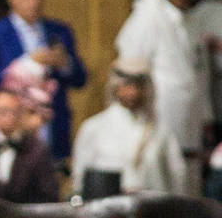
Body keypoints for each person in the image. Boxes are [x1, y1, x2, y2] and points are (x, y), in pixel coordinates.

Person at [114, 0, 222, 192]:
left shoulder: (192, 21)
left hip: (191, 119)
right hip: (159, 113)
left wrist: (206, 116)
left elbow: (199, 73)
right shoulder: (147, 19)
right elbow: (131, 68)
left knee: (189, 180)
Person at [0, 0, 87, 160]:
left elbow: (81, 79)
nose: (34, 2)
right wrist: (28, 63)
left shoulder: (58, 30)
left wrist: (64, 63)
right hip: (12, 119)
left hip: (52, 122)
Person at [71, 58, 186, 199]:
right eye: (127, 86)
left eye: (139, 86)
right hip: (109, 211)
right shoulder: (94, 128)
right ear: (115, 87)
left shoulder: (161, 131)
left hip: (153, 211)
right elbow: (80, 178)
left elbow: (177, 176)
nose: (133, 93)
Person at [0, 86, 59, 204]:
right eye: (2, 111)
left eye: (14, 111)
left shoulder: (38, 151)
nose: (9, 116)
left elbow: (49, 195)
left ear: (22, 113)